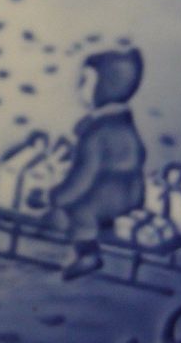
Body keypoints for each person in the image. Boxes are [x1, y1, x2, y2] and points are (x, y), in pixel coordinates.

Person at [51, 45, 148, 280]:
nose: (78, 88)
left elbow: (84, 175)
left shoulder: (99, 133)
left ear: (104, 87)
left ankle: (88, 254)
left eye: (84, 81)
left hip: (108, 201)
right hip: (132, 194)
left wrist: (61, 196)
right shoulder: (123, 124)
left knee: (79, 210)